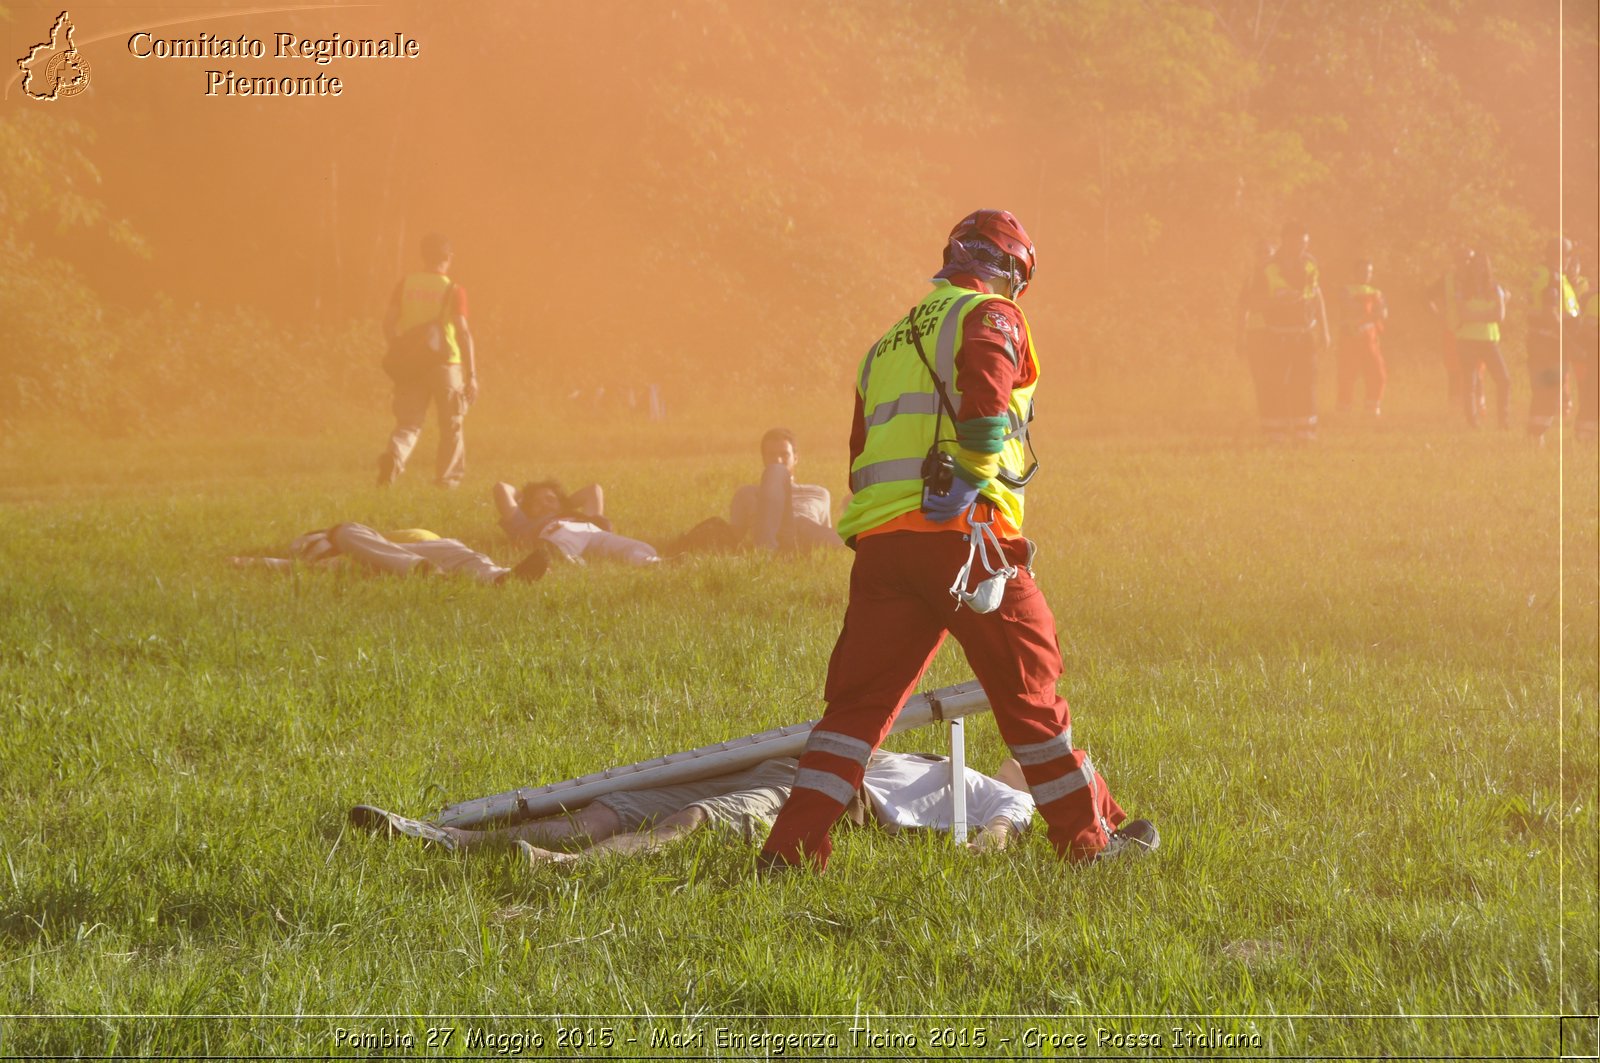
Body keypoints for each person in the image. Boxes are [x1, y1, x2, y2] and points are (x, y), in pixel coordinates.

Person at [756, 210, 1153, 874]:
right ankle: (1089, 843)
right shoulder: (990, 316)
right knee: (1030, 686)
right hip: (966, 541)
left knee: (856, 708)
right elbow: (989, 395)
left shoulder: (883, 346)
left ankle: (790, 849)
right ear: (1010, 272)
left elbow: (862, 453)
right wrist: (970, 476)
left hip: (884, 550)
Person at [349, 750, 1148, 865]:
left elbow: (998, 836)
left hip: (833, 792)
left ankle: (568, 871)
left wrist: (989, 851)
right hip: (797, 757)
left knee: (696, 821)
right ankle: (443, 836)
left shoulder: (1002, 786)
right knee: (613, 801)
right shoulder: (941, 740)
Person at [377, 233, 477, 488]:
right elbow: (463, 332)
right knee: (451, 426)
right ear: (449, 257)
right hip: (446, 364)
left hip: (412, 366)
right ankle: (447, 481)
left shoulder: (405, 284)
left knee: (408, 424)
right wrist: (472, 375)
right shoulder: (453, 289)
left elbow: (388, 323)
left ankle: (394, 458)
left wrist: (398, 349)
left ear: (423, 256)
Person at [230, 523, 547, 585]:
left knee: (458, 550)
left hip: (394, 553)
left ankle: (502, 578)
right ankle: (422, 570)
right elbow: (293, 567)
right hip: (353, 558)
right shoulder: (314, 546)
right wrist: (253, 563)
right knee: (346, 530)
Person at [1242, 220, 1330, 443]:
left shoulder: (1311, 263)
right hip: (1277, 335)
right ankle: (1275, 433)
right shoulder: (1266, 267)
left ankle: (1305, 432)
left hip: (1305, 334)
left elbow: (1316, 294)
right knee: (1275, 383)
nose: (1302, 248)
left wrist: (1325, 330)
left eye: (1305, 243)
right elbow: (1253, 304)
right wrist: (1277, 302)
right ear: (1285, 241)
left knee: (1306, 382)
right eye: (1298, 243)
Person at [492, 479, 659, 565]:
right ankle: (574, 566)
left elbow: (593, 490)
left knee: (639, 548)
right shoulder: (525, 523)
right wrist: (523, 497)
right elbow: (501, 488)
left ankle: (651, 563)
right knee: (566, 554)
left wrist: (563, 507)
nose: (543, 504)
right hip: (554, 534)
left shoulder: (585, 518)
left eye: (550, 499)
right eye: (536, 502)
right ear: (527, 509)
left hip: (590, 531)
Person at [728, 428, 843, 552]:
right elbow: (734, 537)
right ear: (763, 458)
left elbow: (823, 531)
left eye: (784, 454)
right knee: (776, 471)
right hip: (771, 535)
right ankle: (767, 548)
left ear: (796, 458)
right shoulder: (746, 493)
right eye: (771, 455)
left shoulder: (819, 493)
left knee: (807, 525)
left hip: (803, 537)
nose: (778, 460)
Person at [1526, 237, 1581, 444]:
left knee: (1544, 390)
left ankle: (1535, 437)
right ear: (1560, 255)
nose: (1570, 260)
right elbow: (1551, 312)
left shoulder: (1544, 273)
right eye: (1568, 255)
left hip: (1541, 341)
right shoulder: (1553, 278)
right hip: (1549, 343)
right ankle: (1535, 437)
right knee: (1548, 391)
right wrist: (1569, 341)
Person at [1453, 252, 1511, 429]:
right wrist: (1487, 315)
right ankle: (1473, 421)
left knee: (1504, 380)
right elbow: (1462, 313)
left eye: (1482, 266)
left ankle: (1503, 420)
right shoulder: (1462, 288)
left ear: (1487, 268)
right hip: (1467, 340)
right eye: (1475, 266)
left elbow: (1499, 316)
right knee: (1470, 382)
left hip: (1488, 340)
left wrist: (1474, 316)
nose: (1478, 269)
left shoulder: (1495, 288)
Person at [1429, 248, 1485, 419]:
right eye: (1462, 259)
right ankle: (1454, 410)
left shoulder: (1482, 279)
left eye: (1469, 259)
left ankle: (1479, 409)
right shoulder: (1447, 280)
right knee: (1454, 369)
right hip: (1453, 331)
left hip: (1477, 332)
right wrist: (1437, 314)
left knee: (1477, 370)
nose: (1465, 263)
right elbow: (1427, 296)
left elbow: (1502, 294)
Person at [1336, 259, 1389, 418]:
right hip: (1350, 338)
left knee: (1378, 373)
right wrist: (1371, 312)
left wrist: (1369, 312)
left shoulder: (1377, 292)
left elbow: (1384, 313)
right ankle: (1343, 409)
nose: (1365, 275)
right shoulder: (1346, 289)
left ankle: (1372, 407)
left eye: (1369, 272)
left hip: (1370, 338)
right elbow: (1350, 308)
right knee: (1347, 375)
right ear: (1354, 272)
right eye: (1362, 271)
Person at [1236, 238, 1278, 437]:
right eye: (1260, 252)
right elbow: (1243, 309)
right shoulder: (1251, 279)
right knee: (1261, 381)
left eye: (1268, 252)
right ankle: (1267, 423)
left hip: (1279, 335)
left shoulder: (1281, 277)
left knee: (1281, 380)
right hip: (1256, 337)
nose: (1264, 256)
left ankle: (1281, 422)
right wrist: (1240, 338)